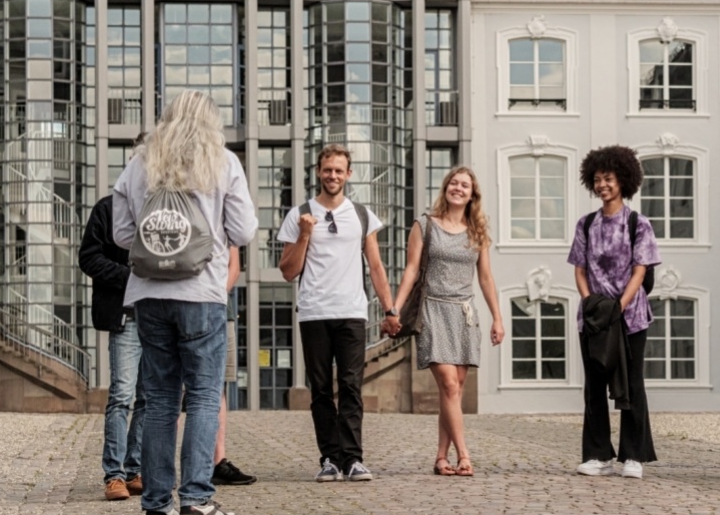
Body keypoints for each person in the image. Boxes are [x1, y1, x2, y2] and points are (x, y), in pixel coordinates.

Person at [114, 90, 257, 515]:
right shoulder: (223, 161)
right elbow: (244, 230)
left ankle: (157, 505)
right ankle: (196, 500)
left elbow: (122, 234)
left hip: (149, 293)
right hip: (202, 291)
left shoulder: (141, 163)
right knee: (202, 396)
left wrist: (161, 248)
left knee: (159, 399)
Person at [278, 144, 397, 483]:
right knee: (320, 389)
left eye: (339, 170)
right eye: (327, 169)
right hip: (314, 312)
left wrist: (390, 309)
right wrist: (305, 234)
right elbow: (288, 270)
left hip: (351, 311)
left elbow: (376, 266)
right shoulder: (299, 214)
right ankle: (330, 458)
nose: (333, 175)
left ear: (348, 174)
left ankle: (353, 458)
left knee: (350, 386)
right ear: (319, 172)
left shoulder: (361, 215)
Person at [383, 167, 505, 477]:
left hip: (464, 314)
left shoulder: (477, 232)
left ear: (472, 194)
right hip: (433, 311)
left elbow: (486, 278)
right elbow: (411, 270)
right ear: (446, 187)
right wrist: (394, 309)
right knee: (449, 385)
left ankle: (441, 457)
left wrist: (497, 318)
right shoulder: (424, 225)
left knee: (454, 391)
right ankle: (464, 455)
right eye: (454, 182)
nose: (458, 188)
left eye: (465, 185)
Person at [567, 145, 661, 479]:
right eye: (597, 179)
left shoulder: (638, 223)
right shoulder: (586, 224)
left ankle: (633, 456)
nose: (602, 185)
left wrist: (618, 307)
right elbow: (579, 269)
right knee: (594, 385)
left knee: (632, 384)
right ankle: (597, 455)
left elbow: (640, 270)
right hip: (593, 320)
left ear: (623, 180)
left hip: (630, 319)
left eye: (608, 178)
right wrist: (591, 303)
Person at [80, 190, 145, 501]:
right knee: (121, 395)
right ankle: (114, 475)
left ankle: (135, 470)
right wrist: (129, 277)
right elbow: (88, 257)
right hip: (126, 315)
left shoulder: (166, 205)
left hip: (160, 315)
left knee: (150, 399)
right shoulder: (108, 208)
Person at [212, 245, 257, 486]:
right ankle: (163, 468)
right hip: (180, 306)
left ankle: (218, 462)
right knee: (173, 390)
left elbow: (234, 265)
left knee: (218, 387)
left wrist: (214, 298)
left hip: (220, 309)